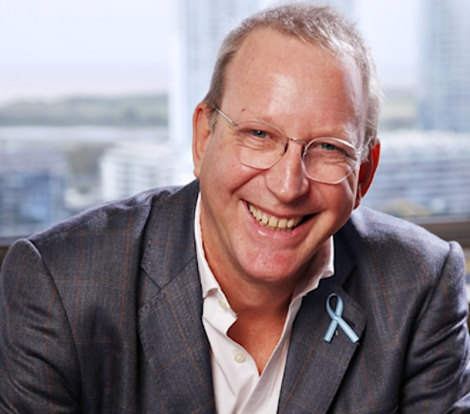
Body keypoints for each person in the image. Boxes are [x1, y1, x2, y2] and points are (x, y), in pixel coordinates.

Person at [1, 3, 470, 413]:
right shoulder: (60, 285)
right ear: (203, 138)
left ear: (364, 174)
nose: (287, 186)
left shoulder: (420, 283)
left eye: (329, 148)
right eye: (259, 134)